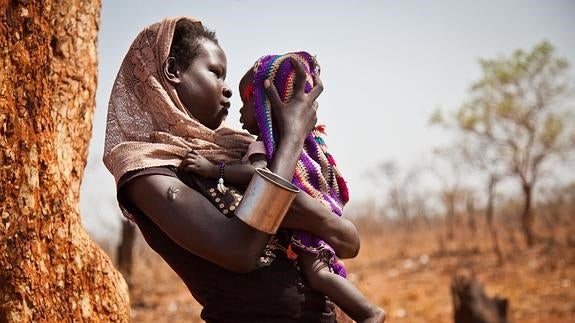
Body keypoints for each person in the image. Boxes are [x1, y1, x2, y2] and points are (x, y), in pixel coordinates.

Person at [103, 17, 363, 322]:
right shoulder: (147, 170)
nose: (227, 91)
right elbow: (239, 252)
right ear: (173, 71)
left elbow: (348, 242)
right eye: (215, 73)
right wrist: (292, 137)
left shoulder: (244, 149)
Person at [181, 52, 386, 322]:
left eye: (247, 101)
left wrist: (213, 169)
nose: (239, 111)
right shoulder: (298, 148)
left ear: (266, 103)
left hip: (305, 228)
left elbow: (258, 172)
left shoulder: (268, 147)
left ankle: (369, 313)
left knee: (317, 272)